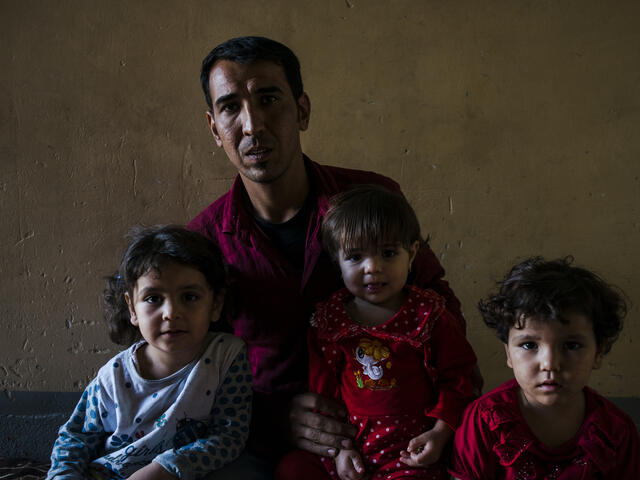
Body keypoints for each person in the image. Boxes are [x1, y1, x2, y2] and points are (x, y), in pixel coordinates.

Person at [188, 35, 475, 471]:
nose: (253, 125)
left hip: (400, 437)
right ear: (214, 128)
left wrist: (422, 408)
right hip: (258, 442)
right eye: (231, 107)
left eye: (268, 99)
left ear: (302, 111)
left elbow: (442, 309)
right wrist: (273, 418)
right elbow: (193, 370)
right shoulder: (204, 242)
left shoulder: (371, 200)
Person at [276, 185, 477, 480]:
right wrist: (340, 450)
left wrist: (440, 434)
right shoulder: (330, 321)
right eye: (355, 257)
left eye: (388, 253)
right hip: (352, 448)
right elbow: (323, 391)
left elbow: (459, 378)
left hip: (412, 450)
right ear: (337, 261)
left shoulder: (429, 315)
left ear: (412, 255)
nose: (373, 267)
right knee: (292, 470)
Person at [46, 226, 252, 480]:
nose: (171, 313)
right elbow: (75, 438)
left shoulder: (226, 357)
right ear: (132, 309)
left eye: (189, 297)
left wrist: (166, 468)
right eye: (153, 298)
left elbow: (229, 435)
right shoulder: (113, 378)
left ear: (215, 305)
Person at [450, 256, 640, 479]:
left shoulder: (615, 432)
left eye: (571, 345)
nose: (550, 364)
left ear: (598, 352)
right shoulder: (485, 421)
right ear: (508, 353)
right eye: (529, 345)